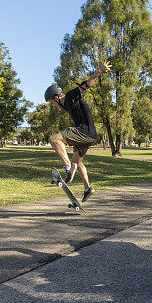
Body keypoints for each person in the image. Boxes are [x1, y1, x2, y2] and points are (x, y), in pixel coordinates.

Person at [44, 61, 111, 202]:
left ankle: (67, 167)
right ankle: (87, 189)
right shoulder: (65, 105)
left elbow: (87, 84)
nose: (53, 106)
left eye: (52, 102)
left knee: (54, 139)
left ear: (56, 97)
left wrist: (99, 71)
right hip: (90, 135)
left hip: (84, 131)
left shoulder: (69, 96)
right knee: (78, 163)